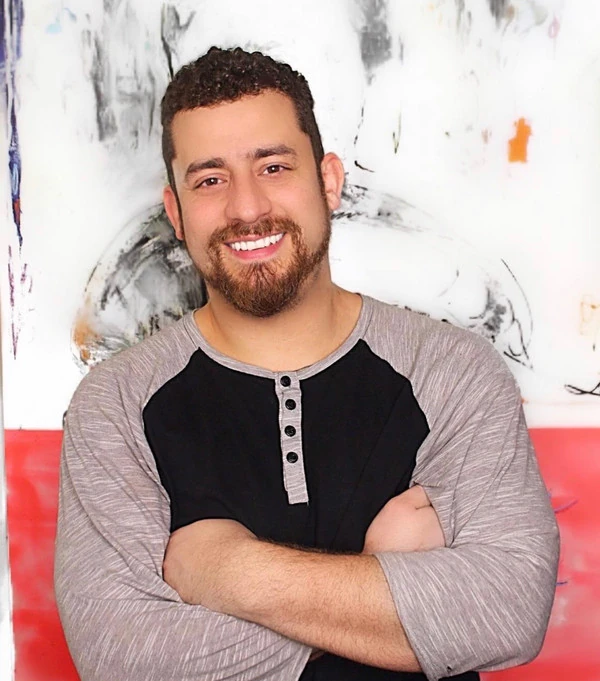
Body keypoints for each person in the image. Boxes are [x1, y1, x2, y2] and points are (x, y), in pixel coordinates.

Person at [54, 46, 559, 681]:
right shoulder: (116, 404)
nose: (246, 208)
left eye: (273, 167)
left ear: (329, 181)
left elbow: (508, 609)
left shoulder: (452, 371)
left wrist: (225, 571)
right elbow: (121, 657)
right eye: (210, 180)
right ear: (176, 212)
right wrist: (381, 583)